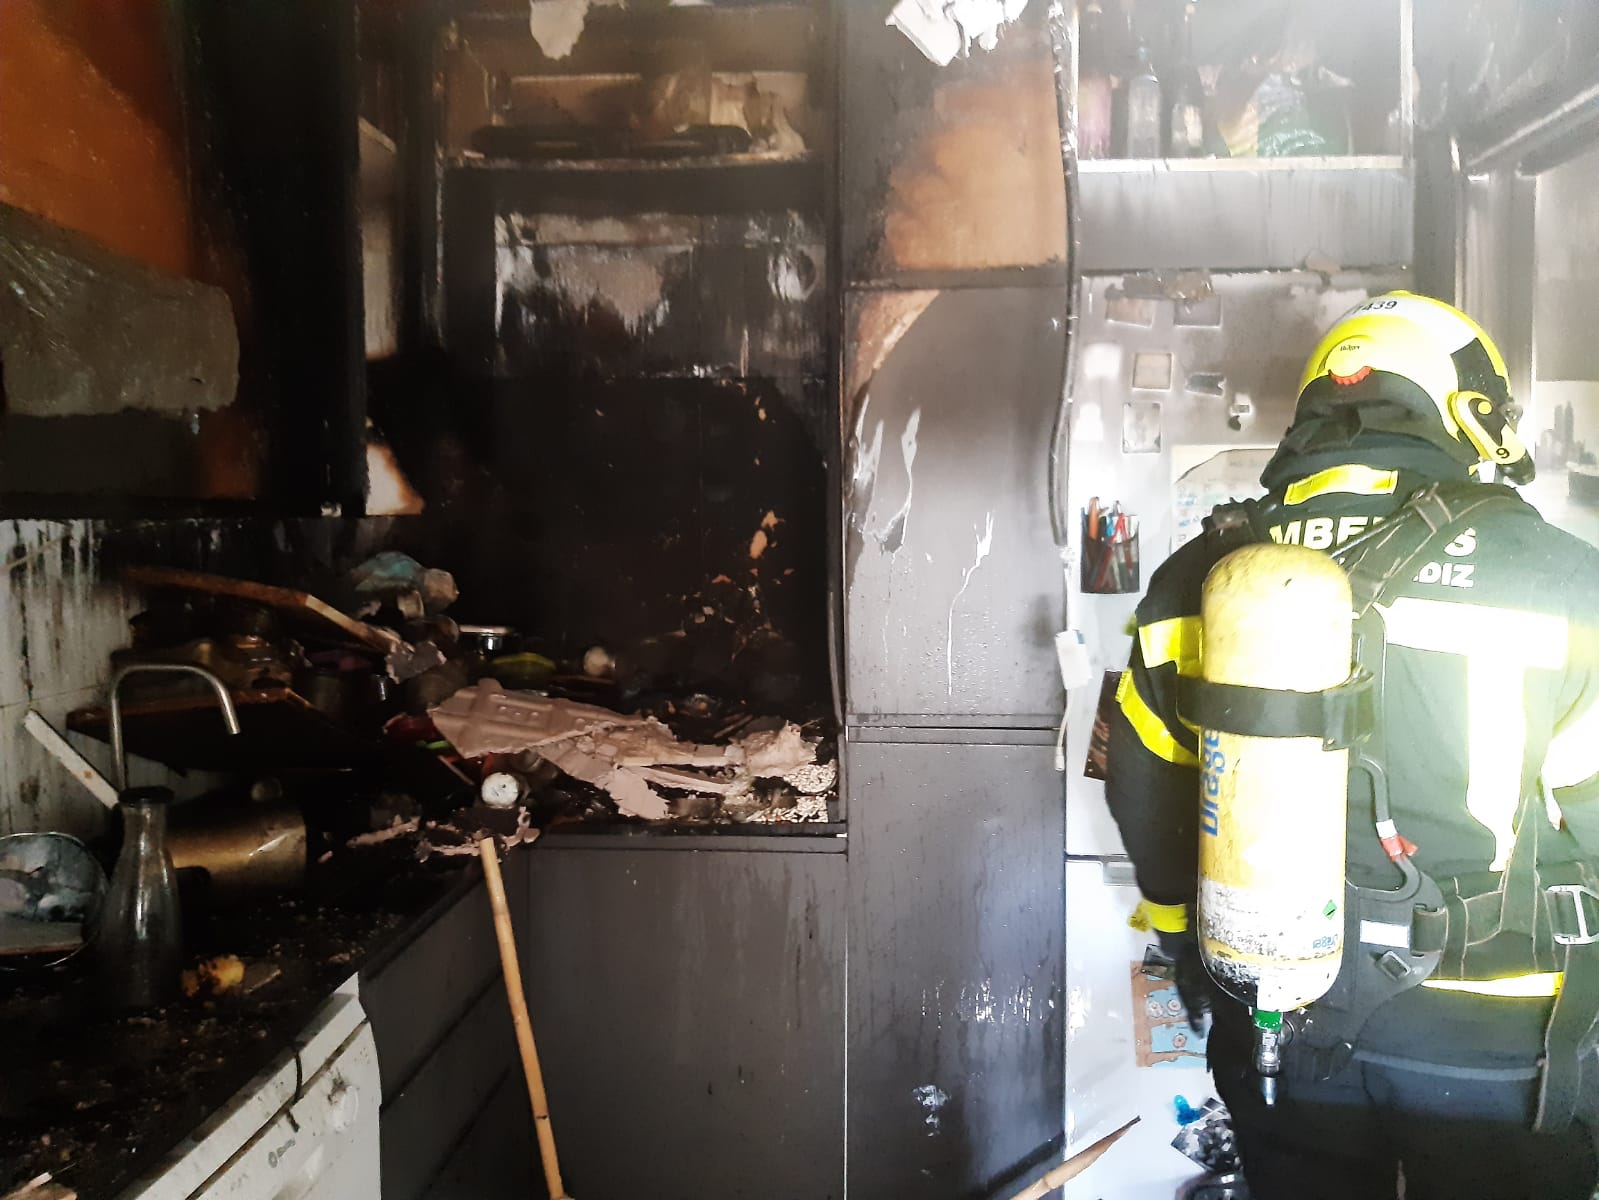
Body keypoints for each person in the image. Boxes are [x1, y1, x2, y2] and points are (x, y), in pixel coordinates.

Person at [1103, 291, 1599, 1200]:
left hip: (1279, 1021)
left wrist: (1188, 951)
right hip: (1496, 1036)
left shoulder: (1193, 577)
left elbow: (1141, 792)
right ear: (1464, 409)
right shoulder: (1562, 578)